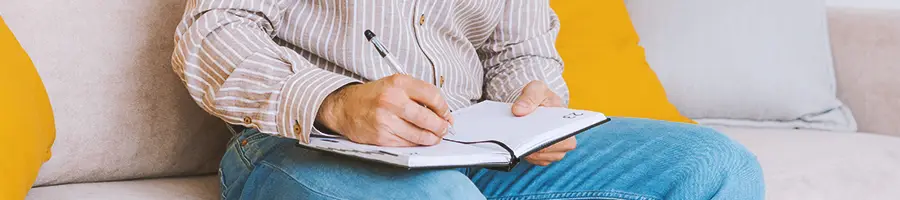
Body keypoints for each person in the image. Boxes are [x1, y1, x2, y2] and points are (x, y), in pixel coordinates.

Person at [172, 0, 764, 199]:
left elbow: (520, 49)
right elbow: (211, 28)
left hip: (473, 144)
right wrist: (337, 100)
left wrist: (530, 108)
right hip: (301, 141)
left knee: (718, 167)